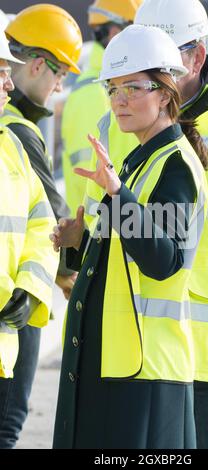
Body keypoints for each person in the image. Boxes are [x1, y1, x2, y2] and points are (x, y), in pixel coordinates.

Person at [86, 0, 208, 448]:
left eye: (164, 60)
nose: (150, 71)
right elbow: (97, 221)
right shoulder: (116, 119)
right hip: (137, 347)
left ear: (196, 57)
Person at [51, 24, 208, 449]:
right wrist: (79, 243)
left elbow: (162, 260)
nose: (119, 101)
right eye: (113, 89)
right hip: (116, 365)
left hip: (143, 375)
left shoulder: (175, 166)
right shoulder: (140, 161)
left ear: (165, 91)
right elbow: (126, 252)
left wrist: (118, 195)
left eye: (132, 88)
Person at [0, 4, 82, 448]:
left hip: (13, 290)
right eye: (59, 74)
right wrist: (74, 276)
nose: (59, 86)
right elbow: (49, 221)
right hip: (17, 301)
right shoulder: (18, 134)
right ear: (37, 65)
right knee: (8, 424)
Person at [0, 25, 59, 447]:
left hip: (8, 326)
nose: (9, 82)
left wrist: (32, 286)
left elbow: (42, 223)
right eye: (0, 70)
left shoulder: (11, 146)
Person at [62, 0, 142, 217]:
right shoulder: (95, 93)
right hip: (102, 231)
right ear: (117, 32)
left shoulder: (103, 86)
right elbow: (86, 180)